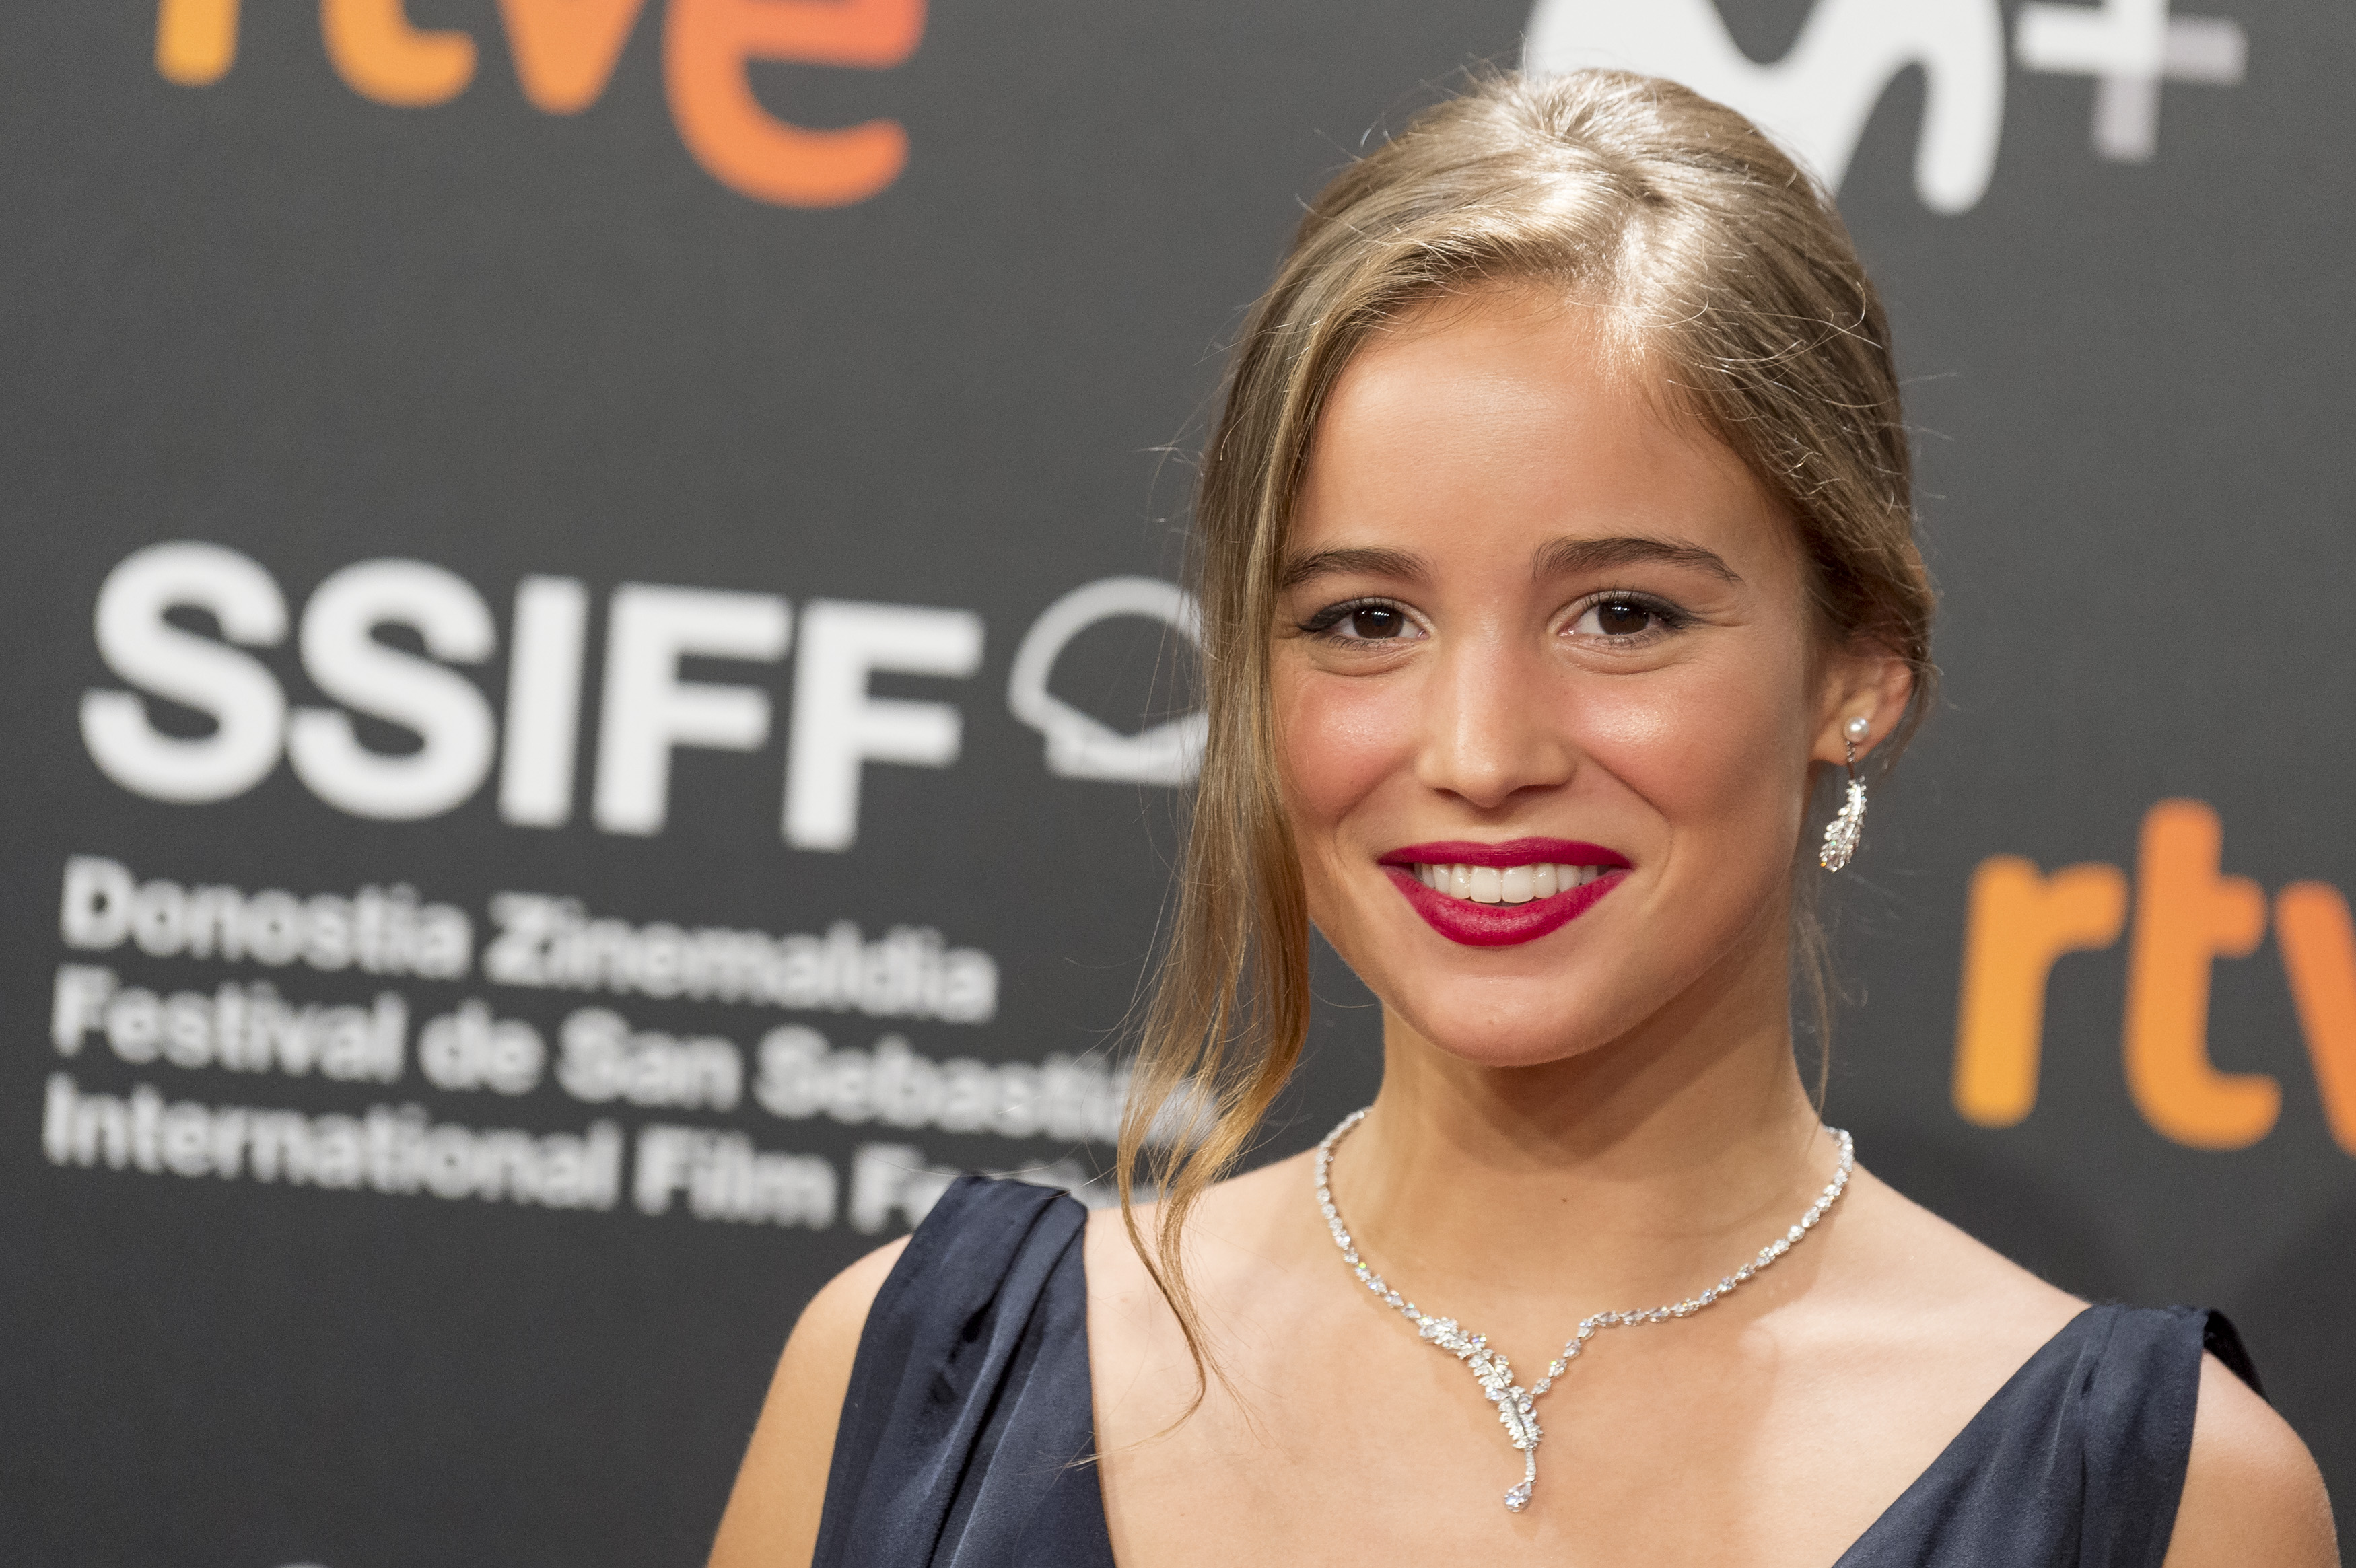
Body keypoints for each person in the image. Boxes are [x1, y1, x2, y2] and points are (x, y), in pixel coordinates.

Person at [707, 69, 2336, 1567]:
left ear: (1858, 664)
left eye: (1621, 615)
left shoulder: (2162, 1500)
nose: (1480, 751)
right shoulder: (920, 1383)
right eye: (1362, 620)